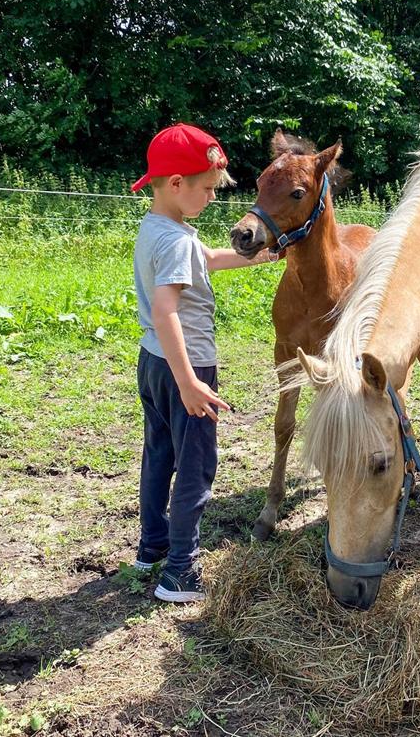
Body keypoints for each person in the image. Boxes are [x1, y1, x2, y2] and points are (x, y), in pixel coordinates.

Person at [130, 123, 277, 602]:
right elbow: (165, 310)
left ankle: (151, 546)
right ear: (176, 184)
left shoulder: (161, 228)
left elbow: (206, 258)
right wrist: (190, 381)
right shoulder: (174, 240)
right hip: (184, 366)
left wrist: (258, 258)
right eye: (209, 188)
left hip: (152, 362)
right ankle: (180, 571)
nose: (214, 196)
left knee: (159, 456)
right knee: (196, 465)